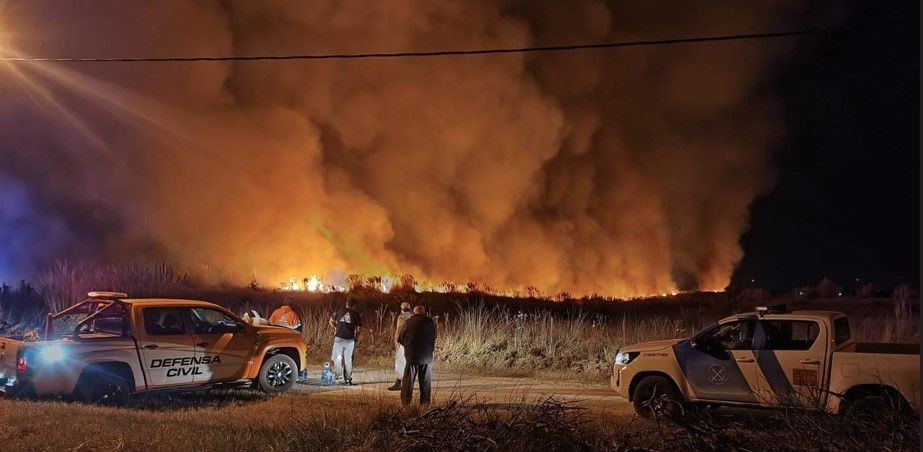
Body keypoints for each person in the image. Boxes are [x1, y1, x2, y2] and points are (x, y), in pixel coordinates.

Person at [398, 305, 437, 405]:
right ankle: (425, 403)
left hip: (412, 355)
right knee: (425, 381)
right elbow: (434, 337)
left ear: (414, 312)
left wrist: (408, 347)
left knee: (408, 381)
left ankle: (405, 403)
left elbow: (401, 338)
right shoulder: (431, 322)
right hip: (426, 356)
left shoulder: (408, 322)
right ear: (424, 313)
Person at [329, 298, 361, 385]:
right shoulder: (355, 314)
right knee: (348, 359)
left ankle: (337, 379)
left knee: (338, 358)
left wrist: (336, 328)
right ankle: (347, 380)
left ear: (346, 304)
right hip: (350, 340)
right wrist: (356, 337)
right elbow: (358, 328)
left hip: (338, 338)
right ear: (354, 305)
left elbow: (331, 321)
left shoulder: (338, 311)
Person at [387, 302, 413, 391]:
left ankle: (398, 383)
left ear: (401, 309)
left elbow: (399, 331)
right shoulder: (413, 317)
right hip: (410, 344)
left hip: (402, 344)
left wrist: (396, 342)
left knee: (399, 363)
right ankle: (408, 383)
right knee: (408, 363)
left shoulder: (401, 317)